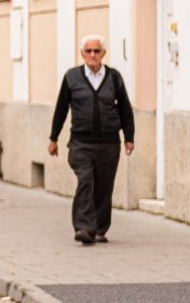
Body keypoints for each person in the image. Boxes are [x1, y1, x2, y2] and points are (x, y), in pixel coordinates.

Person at [48, 35, 135, 245]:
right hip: (81, 142)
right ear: (82, 54)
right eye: (88, 51)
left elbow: (125, 109)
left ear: (103, 53)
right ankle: (84, 227)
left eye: (97, 51)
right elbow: (61, 109)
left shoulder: (114, 78)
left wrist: (129, 138)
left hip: (109, 142)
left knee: (104, 186)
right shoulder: (72, 77)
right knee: (85, 180)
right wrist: (54, 138)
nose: (92, 55)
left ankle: (99, 229)